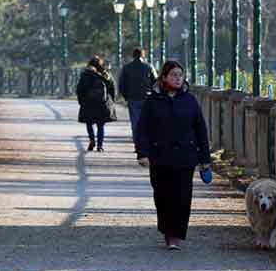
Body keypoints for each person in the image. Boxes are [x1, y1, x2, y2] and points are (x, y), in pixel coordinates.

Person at [135, 60, 211, 250]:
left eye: (180, 75)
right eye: (173, 75)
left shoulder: (190, 100)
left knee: (182, 198)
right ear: (163, 78)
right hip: (160, 157)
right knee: (162, 197)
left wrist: (205, 160)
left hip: (185, 157)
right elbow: (142, 129)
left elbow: (201, 130)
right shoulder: (152, 101)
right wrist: (142, 153)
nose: (178, 78)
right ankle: (167, 230)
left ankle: (175, 235)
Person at [77, 55, 117, 152]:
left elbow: (79, 89)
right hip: (102, 103)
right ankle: (100, 146)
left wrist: (81, 101)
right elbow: (112, 87)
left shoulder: (86, 74)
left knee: (89, 123)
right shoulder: (105, 74)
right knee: (100, 125)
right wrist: (112, 100)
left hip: (88, 103)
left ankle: (92, 140)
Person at [117, 47, 155, 144]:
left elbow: (121, 84)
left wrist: (126, 96)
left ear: (133, 56)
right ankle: (146, 142)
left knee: (135, 121)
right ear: (143, 55)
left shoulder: (127, 67)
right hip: (147, 97)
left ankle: (137, 142)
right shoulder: (149, 67)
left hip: (132, 97)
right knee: (147, 121)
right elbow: (155, 82)